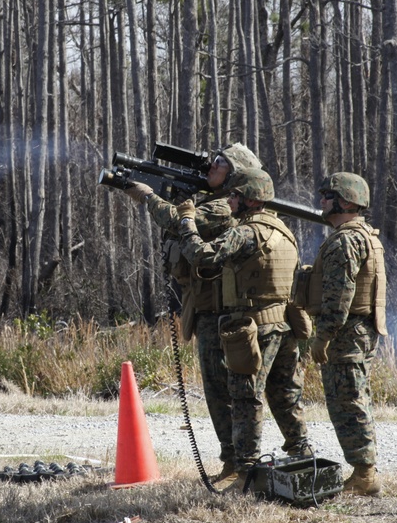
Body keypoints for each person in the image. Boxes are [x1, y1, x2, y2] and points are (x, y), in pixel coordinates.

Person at [122, 143, 261, 484]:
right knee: (215, 392)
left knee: (225, 392)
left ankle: (240, 466)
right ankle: (231, 463)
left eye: (220, 163)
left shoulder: (221, 207)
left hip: (219, 312)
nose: (212, 166)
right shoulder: (211, 201)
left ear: (236, 175)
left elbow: (178, 219)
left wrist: (146, 196)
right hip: (206, 309)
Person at [175, 167, 313, 492]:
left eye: (234, 196)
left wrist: (186, 220)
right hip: (285, 326)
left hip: (255, 329)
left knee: (245, 398)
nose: (230, 201)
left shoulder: (247, 232)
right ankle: (303, 455)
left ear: (249, 200)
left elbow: (201, 256)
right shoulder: (284, 230)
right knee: (284, 396)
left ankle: (246, 474)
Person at [305, 172, 387, 497]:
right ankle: (364, 469)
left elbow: (340, 294)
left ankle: (365, 474)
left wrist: (322, 337)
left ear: (347, 201)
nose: (322, 200)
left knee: (347, 401)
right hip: (358, 330)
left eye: (328, 195)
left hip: (346, 333)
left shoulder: (345, 240)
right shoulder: (366, 236)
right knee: (355, 399)